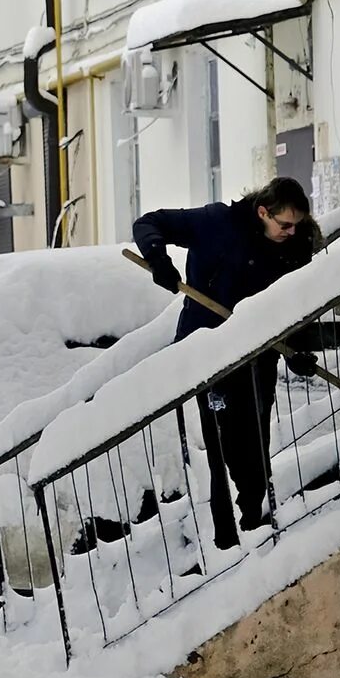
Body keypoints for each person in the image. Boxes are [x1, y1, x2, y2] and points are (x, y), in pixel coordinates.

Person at [134, 177, 324, 551]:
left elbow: (299, 301)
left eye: (296, 224)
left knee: (253, 440)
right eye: (284, 224)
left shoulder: (296, 246)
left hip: (258, 355)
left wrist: (301, 348)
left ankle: (254, 517)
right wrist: (158, 259)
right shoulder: (216, 222)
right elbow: (149, 222)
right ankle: (227, 536)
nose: (291, 231)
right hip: (208, 354)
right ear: (262, 211)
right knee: (221, 439)